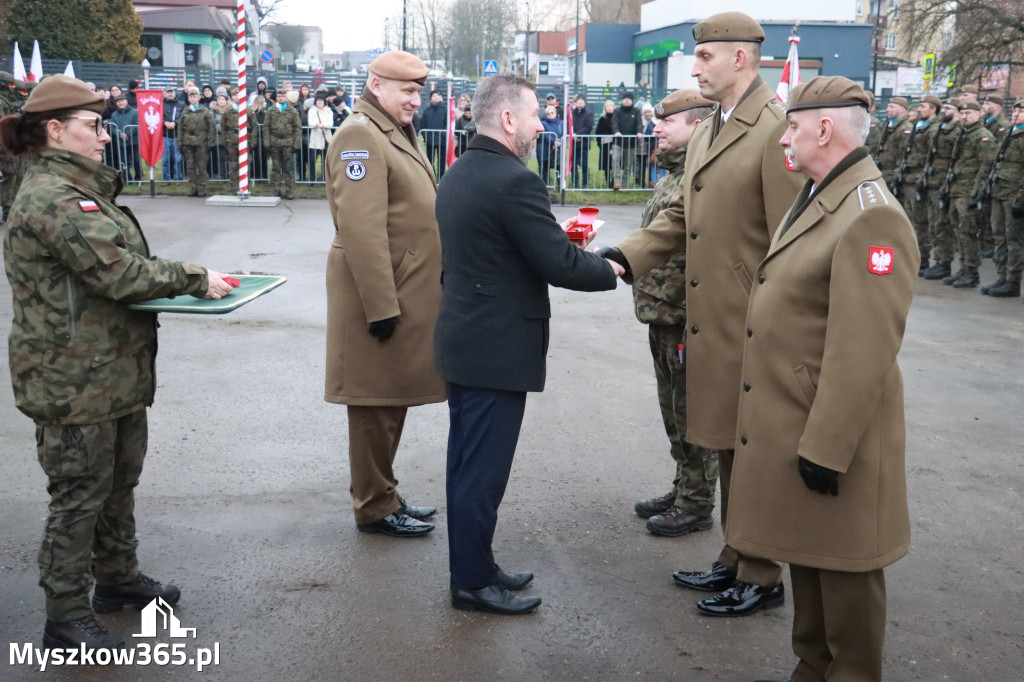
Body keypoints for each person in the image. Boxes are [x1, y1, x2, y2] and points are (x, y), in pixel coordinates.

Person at [0, 74, 234, 652]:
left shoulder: (80, 189)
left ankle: (118, 580)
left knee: (117, 483)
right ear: (56, 131)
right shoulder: (52, 196)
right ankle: (65, 613)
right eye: (94, 126)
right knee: (79, 495)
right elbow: (120, 272)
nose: (106, 137)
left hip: (107, 371)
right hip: (71, 378)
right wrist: (195, 277)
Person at [600, 11, 803, 617]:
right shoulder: (714, 127)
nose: (696, 67)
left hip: (752, 323)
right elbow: (680, 218)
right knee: (729, 446)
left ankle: (762, 575)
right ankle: (736, 558)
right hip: (710, 321)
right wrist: (621, 259)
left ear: (740, 58)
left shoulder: (773, 128)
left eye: (705, 57)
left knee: (756, 450)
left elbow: (793, 238)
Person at [732, 76, 917, 682]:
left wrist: (827, 448)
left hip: (834, 439)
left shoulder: (871, 217)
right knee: (809, 563)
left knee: (845, 581)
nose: (784, 135)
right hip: (801, 424)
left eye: (791, 125)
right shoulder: (821, 194)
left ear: (824, 128)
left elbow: (863, 350)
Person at [434, 72, 622, 615]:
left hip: (467, 339)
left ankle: (476, 564)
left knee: (467, 466)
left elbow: (503, 243)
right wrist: (610, 267)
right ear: (509, 119)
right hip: (494, 348)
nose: (543, 124)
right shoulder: (514, 180)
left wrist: (548, 235)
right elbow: (559, 265)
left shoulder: (462, 170)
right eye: (536, 114)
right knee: (482, 474)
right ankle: (471, 582)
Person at [324, 50, 444, 538]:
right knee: (374, 404)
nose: (416, 99)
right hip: (380, 296)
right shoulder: (360, 136)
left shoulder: (390, 131)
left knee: (390, 399)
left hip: (400, 290)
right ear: (376, 85)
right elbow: (361, 230)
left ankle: (384, 493)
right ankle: (373, 504)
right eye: (406, 90)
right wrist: (381, 305)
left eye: (418, 91)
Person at [630, 89, 718, 538]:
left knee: (691, 412)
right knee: (672, 410)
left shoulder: (703, 177)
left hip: (685, 314)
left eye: (668, 122)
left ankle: (697, 502)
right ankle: (685, 485)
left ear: (698, 125)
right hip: (662, 313)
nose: (657, 128)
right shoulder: (674, 174)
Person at [942, 99, 993, 288]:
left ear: (978, 114)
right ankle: (963, 267)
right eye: (962, 114)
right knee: (958, 231)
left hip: (968, 191)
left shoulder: (982, 136)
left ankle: (972, 271)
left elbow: (985, 167)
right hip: (956, 189)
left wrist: (976, 193)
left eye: (968, 113)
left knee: (968, 232)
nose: (964, 117)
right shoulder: (963, 134)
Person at [981, 99, 1024, 298]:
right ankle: (1001, 276)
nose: (1016, 114)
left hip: (1014, 195)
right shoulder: (1010, 133)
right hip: (999, 192)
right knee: (999, 236)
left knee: (1013, 239)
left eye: (1021, 111)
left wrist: (1020, 200)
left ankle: (1012, 280)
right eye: (1015, 110)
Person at [920, 99, 962, 281]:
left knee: (942, 225)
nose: (944, 111)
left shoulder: (958, 131)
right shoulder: (940, 129)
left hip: (945, 183)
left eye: (948, 108)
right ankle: (937, 261)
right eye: (943, 107)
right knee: (933, 224)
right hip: (932, 181)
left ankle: (943, 262)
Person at [901, 95, 940, 275]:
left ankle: (922, 258)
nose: (919, 109)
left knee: (921, 222)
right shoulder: (919, 126)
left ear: (933, 110)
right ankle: (913, 257)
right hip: (909, 177)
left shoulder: (933, 129)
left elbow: (930, 156)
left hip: (920, 179)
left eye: (923, 106)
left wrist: (923, 178)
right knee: (910, 220)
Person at [178, 87, 215, 198]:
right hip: (188, 143)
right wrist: (180, 142)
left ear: (199, 98)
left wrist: (210, 142)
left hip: (201, 143)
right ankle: (193, 187)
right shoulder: (185, 111)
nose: (193, 99)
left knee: (202, 166)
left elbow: (211, 127)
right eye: (191, 97)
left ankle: (201, 187)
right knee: (190, 166)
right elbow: (180, 128)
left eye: (195, 96)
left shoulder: (205, 111)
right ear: (188, 98)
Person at [265, 89, 301, 199]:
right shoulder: (271, 110)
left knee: (288, 168)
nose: (281, 98)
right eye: (279, 96)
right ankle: (276, 189)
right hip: (275, 142)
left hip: (288, 142)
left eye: (283, 96)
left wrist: (296, 144)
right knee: (276, 167)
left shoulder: (292, 111)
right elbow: (266, 127)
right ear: (276, 98)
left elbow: (297, 128)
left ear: (286, 98)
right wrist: (267, 142)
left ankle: (289, 190)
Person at [874, 96, 912, 184]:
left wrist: (897, 173)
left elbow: (903, 153)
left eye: (891, 107)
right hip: (882, 173)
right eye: (888, 106)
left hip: (892, 175)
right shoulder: (886, 125)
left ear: (902, 110)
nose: (887, 109)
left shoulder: (905, 128)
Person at [611, 91, 643, 189]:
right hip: (618, 142)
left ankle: (624, 184)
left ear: (632, 100)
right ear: (622, 100)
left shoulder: (636, 111)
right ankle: (617, 181)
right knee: (615, 159)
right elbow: (614, 122)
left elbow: (639, 123)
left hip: (631, 143)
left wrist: (639, 132)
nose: (627, 100)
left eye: (629, 98)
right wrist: (616, 131)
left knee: (628, 164)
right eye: (625, 98)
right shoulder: (617, 111)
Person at [109, 94, 140, 182]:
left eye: (122, 101)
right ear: (116, 103)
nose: (121, 103)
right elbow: (112, 127)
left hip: (133, 142)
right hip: (121, 143)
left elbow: (136, 124)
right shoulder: (114, 115)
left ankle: (138, 178)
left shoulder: (135, 112)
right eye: (118, 101)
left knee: (136, 161)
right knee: (123, 161)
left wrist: (128, 134)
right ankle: (127, 179)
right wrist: (120, 134)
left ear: (126, 101)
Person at [418, 90, 448, 178]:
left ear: (440, 97)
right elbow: (422, 124)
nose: (435, 98)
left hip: (442, 142)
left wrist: (443, 136)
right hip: (430, 141)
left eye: (437, 96)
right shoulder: (427, 111)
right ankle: (431, 178)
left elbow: (448, 124)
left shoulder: (445, 110)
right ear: (431, 98)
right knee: (429, 162)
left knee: (441, 162)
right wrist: (426, 137)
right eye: (433, 96)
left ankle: (441, 179)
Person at [306, 93, 334, 181]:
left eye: (321, 101)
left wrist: (324, 125)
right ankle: (312, 179)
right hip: (315, 138)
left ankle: (325, 178)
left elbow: (331, 123)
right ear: (315, 102)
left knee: (326, 160)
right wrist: (316, 124)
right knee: (312, 160)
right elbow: (310, 123)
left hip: (326, 137)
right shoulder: (312, 110)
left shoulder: (329, 110)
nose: (320, 102)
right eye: (318, 101)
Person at [571, 94, 594, 188]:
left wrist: (578, 135)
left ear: (584, 102)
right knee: (573, 164)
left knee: (584, 164)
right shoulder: (572, 113)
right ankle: (575, 182)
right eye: (578, 100)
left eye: (582, 100)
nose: (580, 102)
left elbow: (588, 127)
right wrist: (573, 135)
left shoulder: (589, 114)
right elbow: (569, 125)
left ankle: (585, 183)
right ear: (575, 102)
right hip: (573, 143)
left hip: (584, 143)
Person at [161, 87, 183, 181]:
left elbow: (183, 117)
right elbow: (157, 116)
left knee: (177, 158)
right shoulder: (160, 104)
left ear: (175, 93)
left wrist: (176, 123)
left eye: (172, 92)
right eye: (168, 92)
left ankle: (178, 178)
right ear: (164, 94)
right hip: (165, 135)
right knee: (165, 159)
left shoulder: (180, 104)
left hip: (176, 135)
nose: (170, 94)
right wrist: (164, 122)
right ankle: (166, 179)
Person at [537, 105, 563, 184]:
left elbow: (564, 133)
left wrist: (559, 142)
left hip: (558, 148)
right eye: (548, 113)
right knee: (545, 167)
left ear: (555, 113)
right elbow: (543, 134)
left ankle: (560, 184)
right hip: (545, 149)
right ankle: (545, 184)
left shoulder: (561, 123)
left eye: (552, 113)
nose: (550, 115)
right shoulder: (543, 123)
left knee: (559, 166)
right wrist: (553, 141)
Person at [596, 100, 616, 188]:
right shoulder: (602, 118)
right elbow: (598, 132)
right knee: (606, 164)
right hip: (605, 144)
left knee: (615, 163)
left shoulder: (616, 117)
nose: (609, 107)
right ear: (605, 108)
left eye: (611, 106)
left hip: (615, 143)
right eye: (607, 106)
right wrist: (599, 143)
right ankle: (608, 182)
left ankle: (615, 181)